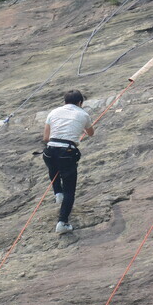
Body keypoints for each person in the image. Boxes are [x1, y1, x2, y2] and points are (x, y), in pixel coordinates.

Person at [42, 90, 95, 234]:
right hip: (67, 153)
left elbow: (46, 137)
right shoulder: (83, 114)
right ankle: (62, 223)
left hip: (49, 151)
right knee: (70, 190)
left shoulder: (53, 112)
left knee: (53, 168)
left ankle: (57, 193)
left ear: (65, 102)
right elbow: (91, 133)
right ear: (80, 103)